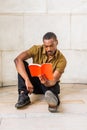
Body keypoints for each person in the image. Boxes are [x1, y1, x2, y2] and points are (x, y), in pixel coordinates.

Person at [14, 32, 67, 112]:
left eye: (51, 46)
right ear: (43, 44)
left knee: (54, 86)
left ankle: (53, 103)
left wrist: (45, 82)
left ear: (57, 42)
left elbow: (53, 80)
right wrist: (27, 80)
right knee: (22, 65)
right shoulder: (36, 49)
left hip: (49, 85)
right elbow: (17, 60)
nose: (49, 49)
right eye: (46, 46)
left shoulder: (62, 60)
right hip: (33, 85)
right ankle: (23, 96)